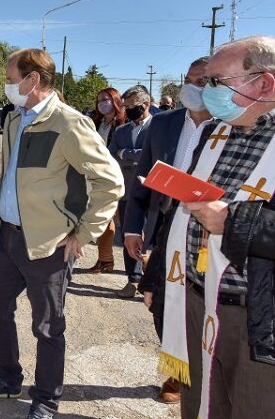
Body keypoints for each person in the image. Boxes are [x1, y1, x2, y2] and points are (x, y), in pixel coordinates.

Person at [0, 49, 124, 419]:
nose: (7, 86)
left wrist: (83, 233)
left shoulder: (69, 124)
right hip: (8, 237)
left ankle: (45, 400)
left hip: (49, 244)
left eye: (10, 79)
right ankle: (8, 379)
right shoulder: (14, 120)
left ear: (32, 80)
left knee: (48, 327)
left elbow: (110, 182)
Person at [141, 36, 275, 418]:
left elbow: (227, 217)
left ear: (264, 84)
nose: (206, 92)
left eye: (217, 83)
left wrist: (234, 223)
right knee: (201, 406)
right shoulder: (215, 132)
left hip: (257, 319)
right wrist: (155, 279)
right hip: (197, 298)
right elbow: (184, 209)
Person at [126, 57, 212, 404]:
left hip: (208, 233)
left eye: (204, 81)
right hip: (165, 227)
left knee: (202, 306)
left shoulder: (232, 126)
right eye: (189, 81)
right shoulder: (163, 124)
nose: (194, 88)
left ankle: (202, 375)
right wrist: (133, 227)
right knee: (158, 301)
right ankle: (178, 369)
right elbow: (143, 179)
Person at [108, 86, 153, 298]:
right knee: (130, 236)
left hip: (154, 194)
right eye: (125, 107)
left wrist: (125, 153)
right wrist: (135, 156)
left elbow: (153, 157)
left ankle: (152, 281)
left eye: (132, 106)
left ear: (146, 104)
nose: (127, 111)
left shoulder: (159, 127)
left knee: (153, 239)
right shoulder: (121, 131)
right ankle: (133, 280)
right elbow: (111, 156)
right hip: (128, 193)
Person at [87, 87, 127, 273]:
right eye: (100, 99)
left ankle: (145, 265)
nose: (102, 103)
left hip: (118, 178)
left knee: (126, 223)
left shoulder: (123, 124)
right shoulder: (96, 123)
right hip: (97, 177)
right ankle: (105, 260)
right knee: (105, 217)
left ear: (115, 100)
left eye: (106, 99)